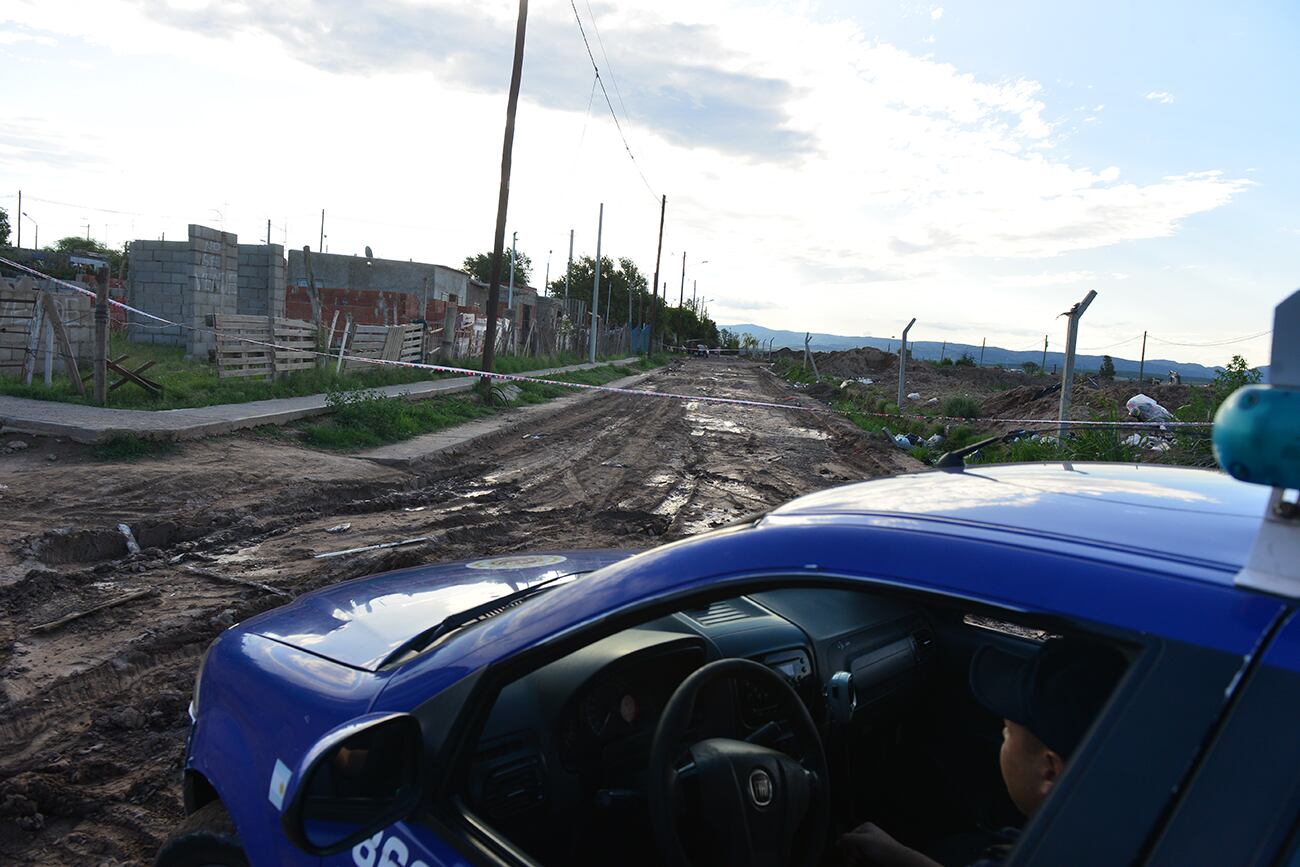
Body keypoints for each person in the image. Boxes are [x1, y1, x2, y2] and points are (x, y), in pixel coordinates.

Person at [838, 636, 1126, 867]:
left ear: (1049, 771)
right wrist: (898, 855)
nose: (1003, 736)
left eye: (1007, 731)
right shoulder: (1102, 836)